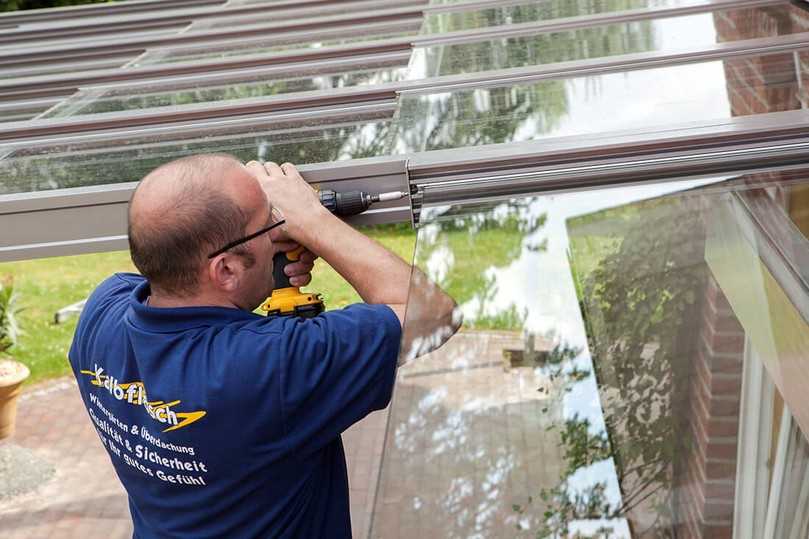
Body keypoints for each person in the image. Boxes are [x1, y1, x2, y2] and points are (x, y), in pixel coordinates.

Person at [68, 154, 458, 538]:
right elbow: (433, 313)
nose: (278, 233)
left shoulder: (101, 313)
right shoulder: (267, 368)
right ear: (225, 269)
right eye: (269, 224)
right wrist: (312, 222)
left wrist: (259, 260)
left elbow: (175, 258)